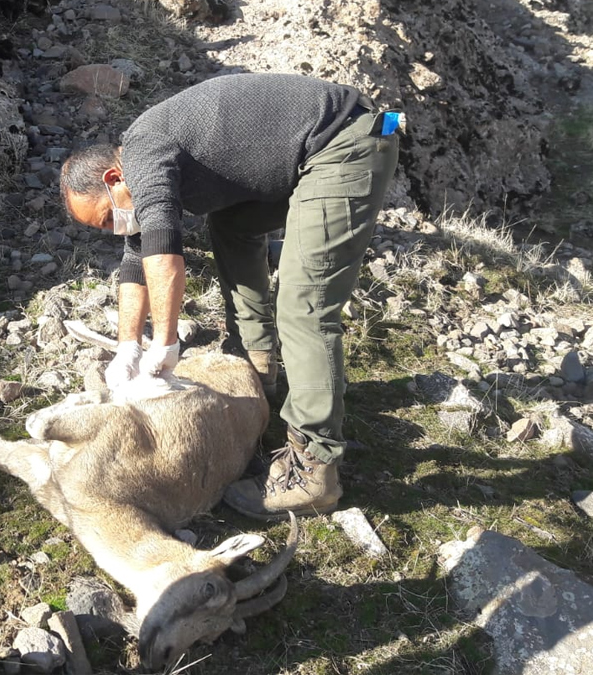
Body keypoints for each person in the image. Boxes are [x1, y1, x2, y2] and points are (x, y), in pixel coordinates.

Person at [59, 73, 401, 521]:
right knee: (232, 226)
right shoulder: (143, 163)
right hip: (311, 150)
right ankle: (257, 370)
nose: (113, 228)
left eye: (107, 217)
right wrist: (127, 347)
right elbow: (136, 259)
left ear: (114, 177)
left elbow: (164, 255)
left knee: (304, 306)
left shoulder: (143, 151)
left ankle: (314, 470)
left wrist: (164, 344)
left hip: (344, 142)